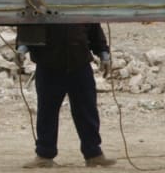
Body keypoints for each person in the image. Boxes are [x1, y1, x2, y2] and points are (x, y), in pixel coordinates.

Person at [16, 23, 116, 168]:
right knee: (47, 111)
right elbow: (30, 27)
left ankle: (93, 154)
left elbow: (94, 30)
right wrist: (22, 49)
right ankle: (44, 155)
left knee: (87, 111)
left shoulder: (81, 7)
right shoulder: (42, 4)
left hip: (79, 65)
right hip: (49, 66)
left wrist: (104, 55)